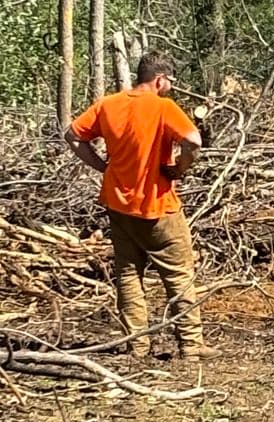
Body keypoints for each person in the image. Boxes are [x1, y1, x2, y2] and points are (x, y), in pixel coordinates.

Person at [64, 51, 216, 361]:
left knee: (129, 274)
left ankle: (137, 345)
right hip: (158, 206)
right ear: (160, 79)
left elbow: (73, 135)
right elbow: (194, 141)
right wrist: (179, 169)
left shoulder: (108, 104)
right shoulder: (163, 107)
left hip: (118, 205)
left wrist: (102, 168)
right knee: (178, 273)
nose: (170, 87)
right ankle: (190, 344)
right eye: (170, 82)